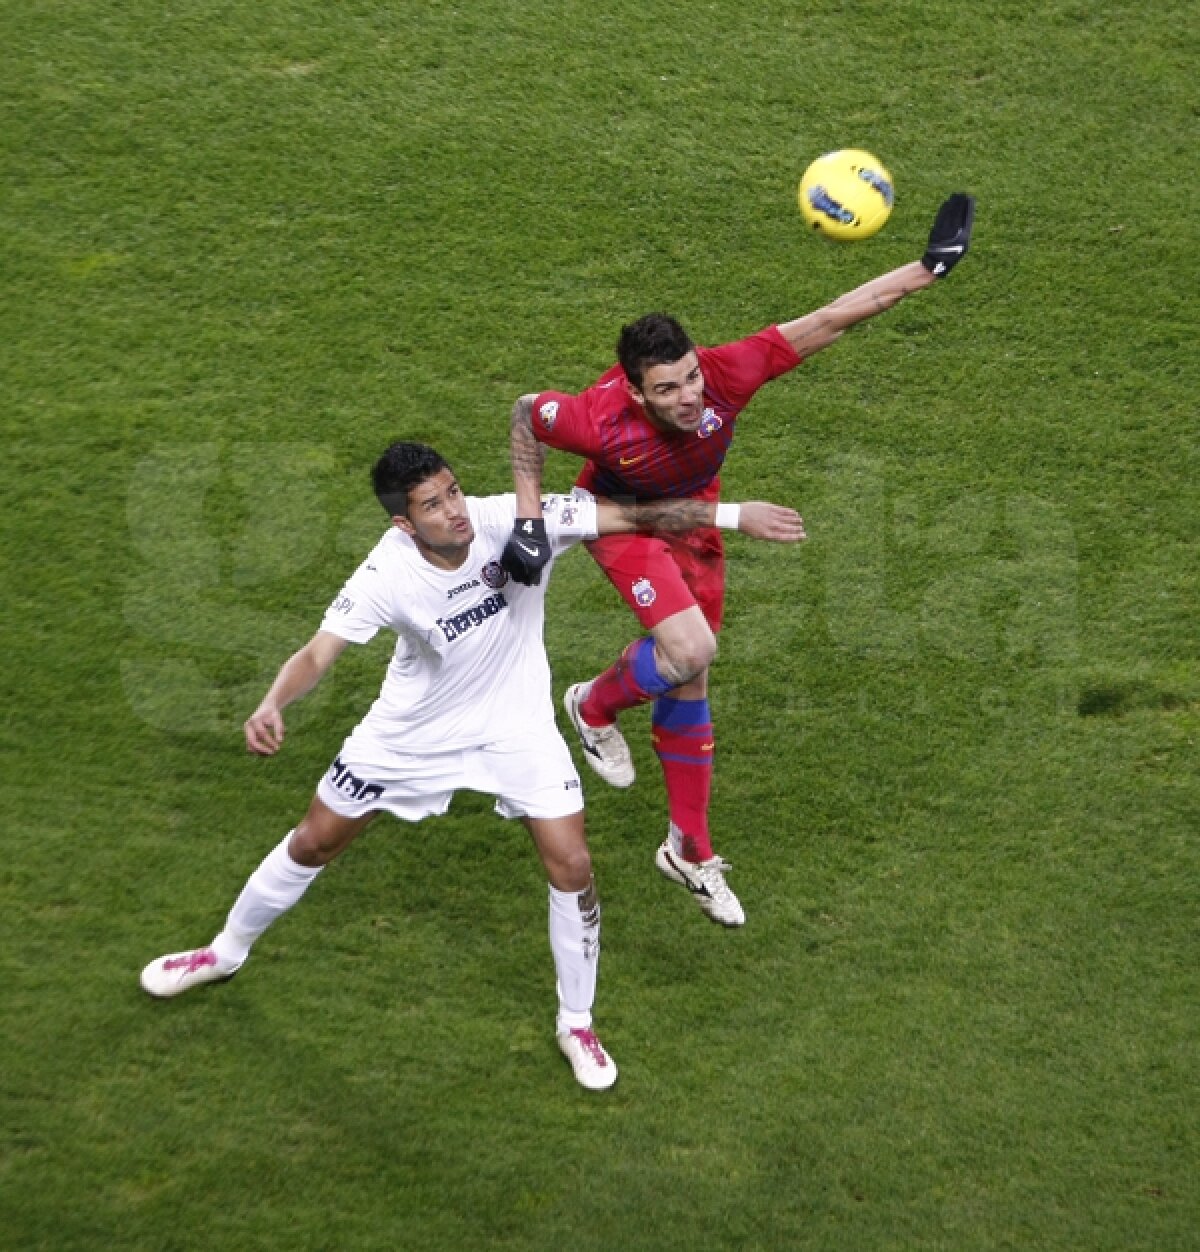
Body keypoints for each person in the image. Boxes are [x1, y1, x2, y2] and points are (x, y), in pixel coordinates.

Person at [140, 441, 804, 1090]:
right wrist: (272, 702)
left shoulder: (506, 521)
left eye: (454, 491)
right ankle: (223, 952)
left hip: (516, 729)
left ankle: (577, 1024)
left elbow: (629, 515)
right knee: (314, 841)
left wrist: (732, 513)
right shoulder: (386, 574)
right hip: (412, 732)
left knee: (572, 865)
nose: (455, 510)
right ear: (404, 522)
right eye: (433, 504)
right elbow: (319, 652)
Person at [500, 193, 976, 928]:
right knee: (690, 647)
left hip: (695, 518)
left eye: (690, 377)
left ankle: (687, 851)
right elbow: (528, 413)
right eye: (668, 388)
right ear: (634, 390)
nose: (690, 397)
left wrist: (926, 269)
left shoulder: (724, 376)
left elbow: (829, 319)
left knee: (691, 670)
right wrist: (531, 515)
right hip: (621, 521)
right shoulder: (596, 422)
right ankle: (593, 706)